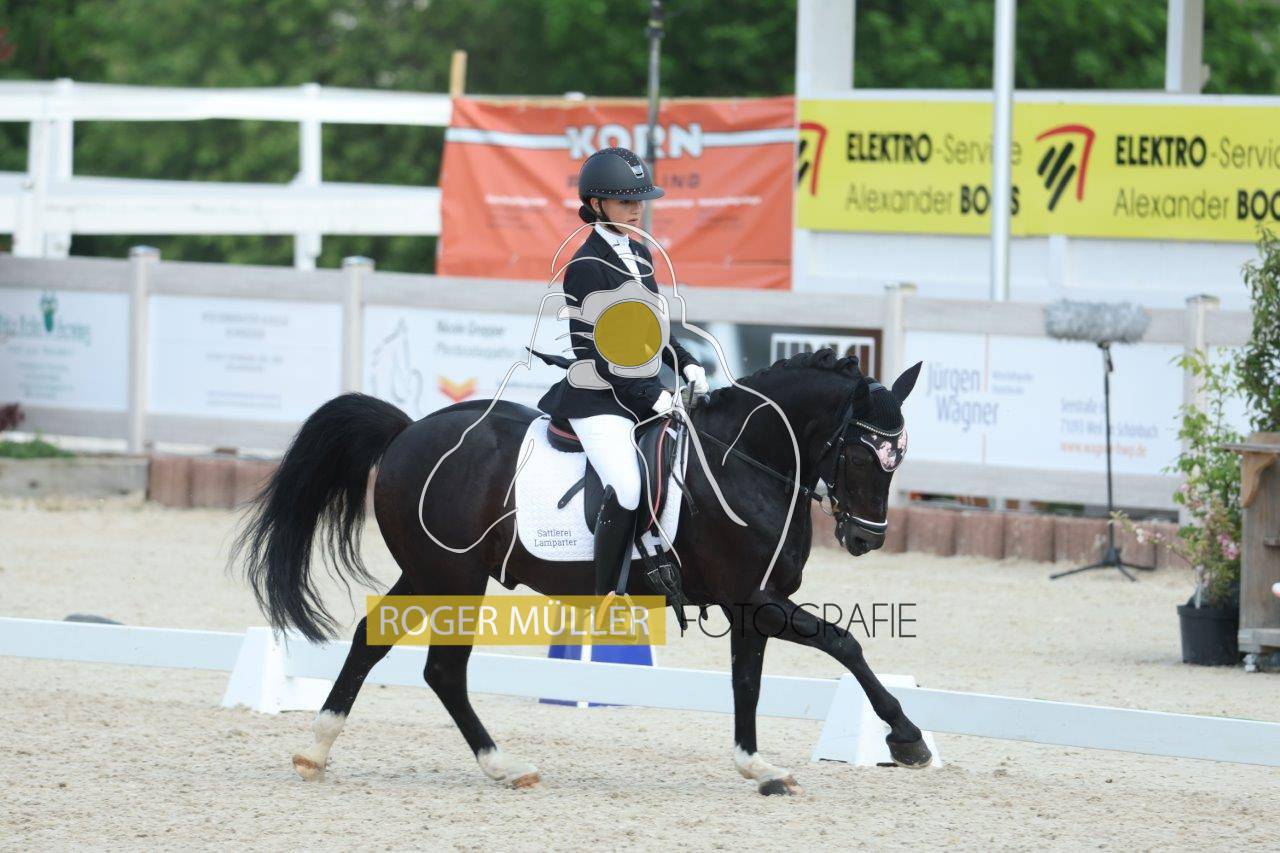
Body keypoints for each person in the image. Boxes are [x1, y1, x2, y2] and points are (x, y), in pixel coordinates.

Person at [537, 147, 709, 598]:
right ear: (596, 205)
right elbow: (593, 350)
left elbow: (649, 331)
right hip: (597, 399)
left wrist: (685, 362)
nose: (637, 209)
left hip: (638, 390)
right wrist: (650, 394)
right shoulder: (584, 266)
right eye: (625, 201)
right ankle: (605, 594)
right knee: (628, 487)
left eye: (640, 200)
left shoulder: (641, 255)